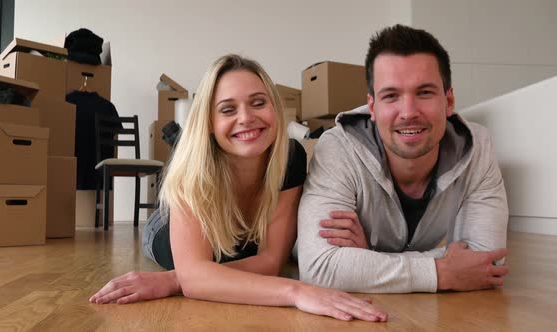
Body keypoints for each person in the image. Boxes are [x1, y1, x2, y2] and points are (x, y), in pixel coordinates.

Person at [89, 54, 387, 322]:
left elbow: (270, 262)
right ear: (209, 122)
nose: (246, 118)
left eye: (258, 103)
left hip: (243, 240)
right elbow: (197, 277)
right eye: (228, 109)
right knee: (216, 260)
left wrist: (176, 280)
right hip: (166, 230)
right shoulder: (192, 168)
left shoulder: (289, 157)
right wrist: (297, 292)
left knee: (225, 262)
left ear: (274, 107)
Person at [297, 24, 509, 293]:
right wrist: (440, 272)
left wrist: (368, 260)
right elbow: (320, 267)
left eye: (424, 93)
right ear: (372, 106)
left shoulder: (477, 146)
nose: (408, 112)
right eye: (391, 96)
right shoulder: (338, 147)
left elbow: (487, 262)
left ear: (449, 100)